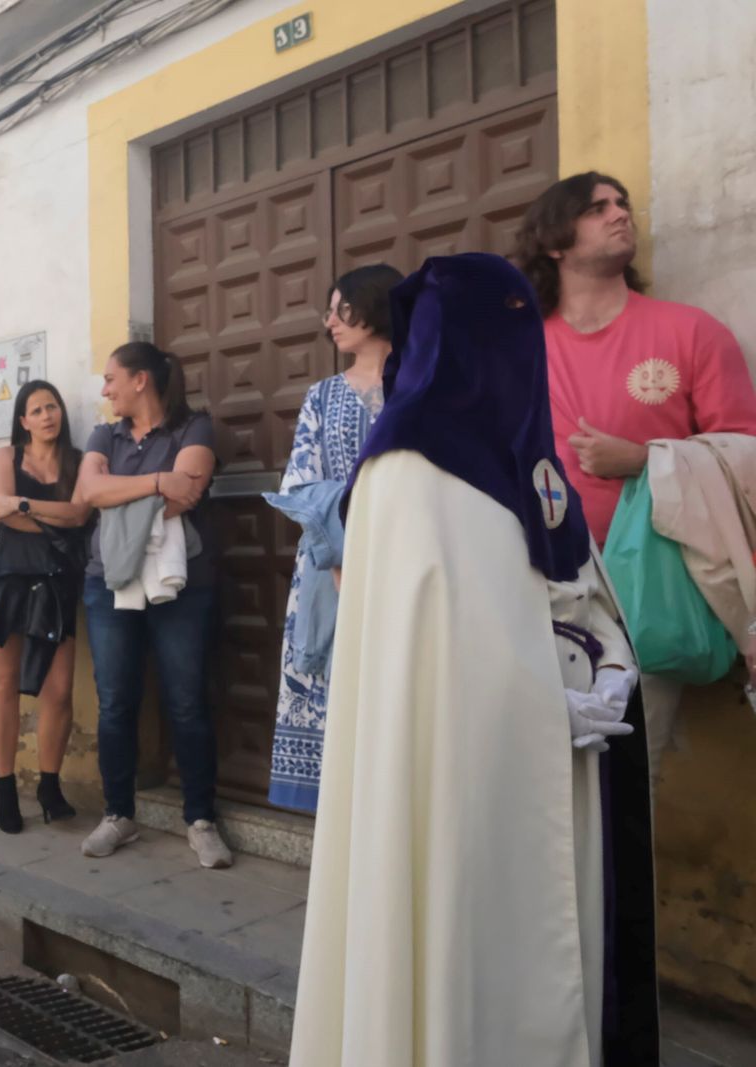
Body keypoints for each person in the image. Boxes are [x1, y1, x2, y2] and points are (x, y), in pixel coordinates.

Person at [292, 253, 658, 1067]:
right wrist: (543, 704)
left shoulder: (526, 461)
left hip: (563, 768)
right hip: (458, 781)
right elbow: (425, 657)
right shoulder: (406, 467)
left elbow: (573, 587)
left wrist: (609, 668)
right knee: (462, 960)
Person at [515, 171, 756, 776]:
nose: (620, 214)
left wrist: (645, 458)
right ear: (554, 242)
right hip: (539, 584)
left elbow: (745, 456)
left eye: (623, 204)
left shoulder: (689, 331)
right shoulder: (518, 347)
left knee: (629, 774)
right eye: (598, 208)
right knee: (539, 776)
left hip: (653, 589)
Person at [74, 342, 228, 869]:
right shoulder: (103, 434)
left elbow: (186, 493)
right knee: (116, 702)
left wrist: (134, 489)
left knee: (186, 700)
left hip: (181, 583)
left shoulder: (195, 428)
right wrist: (157, 480)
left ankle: (201, 820)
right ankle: (119, 814)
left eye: (111, 377)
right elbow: (88, 493)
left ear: (141, 380)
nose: (104, 388)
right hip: (108, 578)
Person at [265, 264, 402, 814]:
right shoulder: (322, 396)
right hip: (332, 568)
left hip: (405, 562)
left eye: (339, 308)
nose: (329, 322)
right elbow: (300, 485)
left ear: (373, 306)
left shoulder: (424, 384)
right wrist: (343, 555)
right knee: (337, 686)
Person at [0, 380, 91, 833]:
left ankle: (50, 786)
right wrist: (53, 516)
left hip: (56, 582)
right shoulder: (7, 458)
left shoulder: (76, 462)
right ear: (23, 421)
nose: (46, 415)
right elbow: (0, 515)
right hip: (6, 580)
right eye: (36, 410)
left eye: (51, 406)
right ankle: (3, 785)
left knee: (59, 691)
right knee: (4, 686)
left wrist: (23, 504)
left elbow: (80, 515)